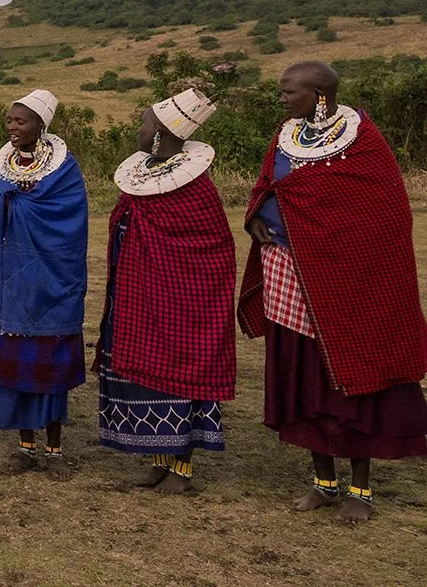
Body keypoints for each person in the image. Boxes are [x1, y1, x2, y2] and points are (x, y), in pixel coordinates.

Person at [239, 61, 427, 524]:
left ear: (320, 94)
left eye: (290, 92)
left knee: (350, 379)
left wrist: (334, 246)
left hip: (349, 285)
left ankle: (360, 491)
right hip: (287, 271)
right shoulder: (286, 135)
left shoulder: (363, 141)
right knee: (302, 377)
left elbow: (385, 215)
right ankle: (323, 483)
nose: (282, 99)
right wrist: (256, 218)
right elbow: (268, 187)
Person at [98, 88, 235, 493]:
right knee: (147, 371)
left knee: (177, 371)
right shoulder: (144, 176)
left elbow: (212, 247)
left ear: (160, 134)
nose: (138, 131)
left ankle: (183, 469)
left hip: (180, 299)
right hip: (138, 292)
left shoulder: (195, 188)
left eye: (143, 124)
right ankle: (159, 458)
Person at [0, 89, 89, 479]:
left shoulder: (63, 170)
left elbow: (68, 221)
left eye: (20, 121)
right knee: (13, 368)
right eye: (9, 120)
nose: (12, 126)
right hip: (6, 287)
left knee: (48, 371)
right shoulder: (3, 167)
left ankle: (55, 450)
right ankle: (24, 446)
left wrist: (21, 203)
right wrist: (7, 199)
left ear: (42, 125)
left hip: (47, 287)